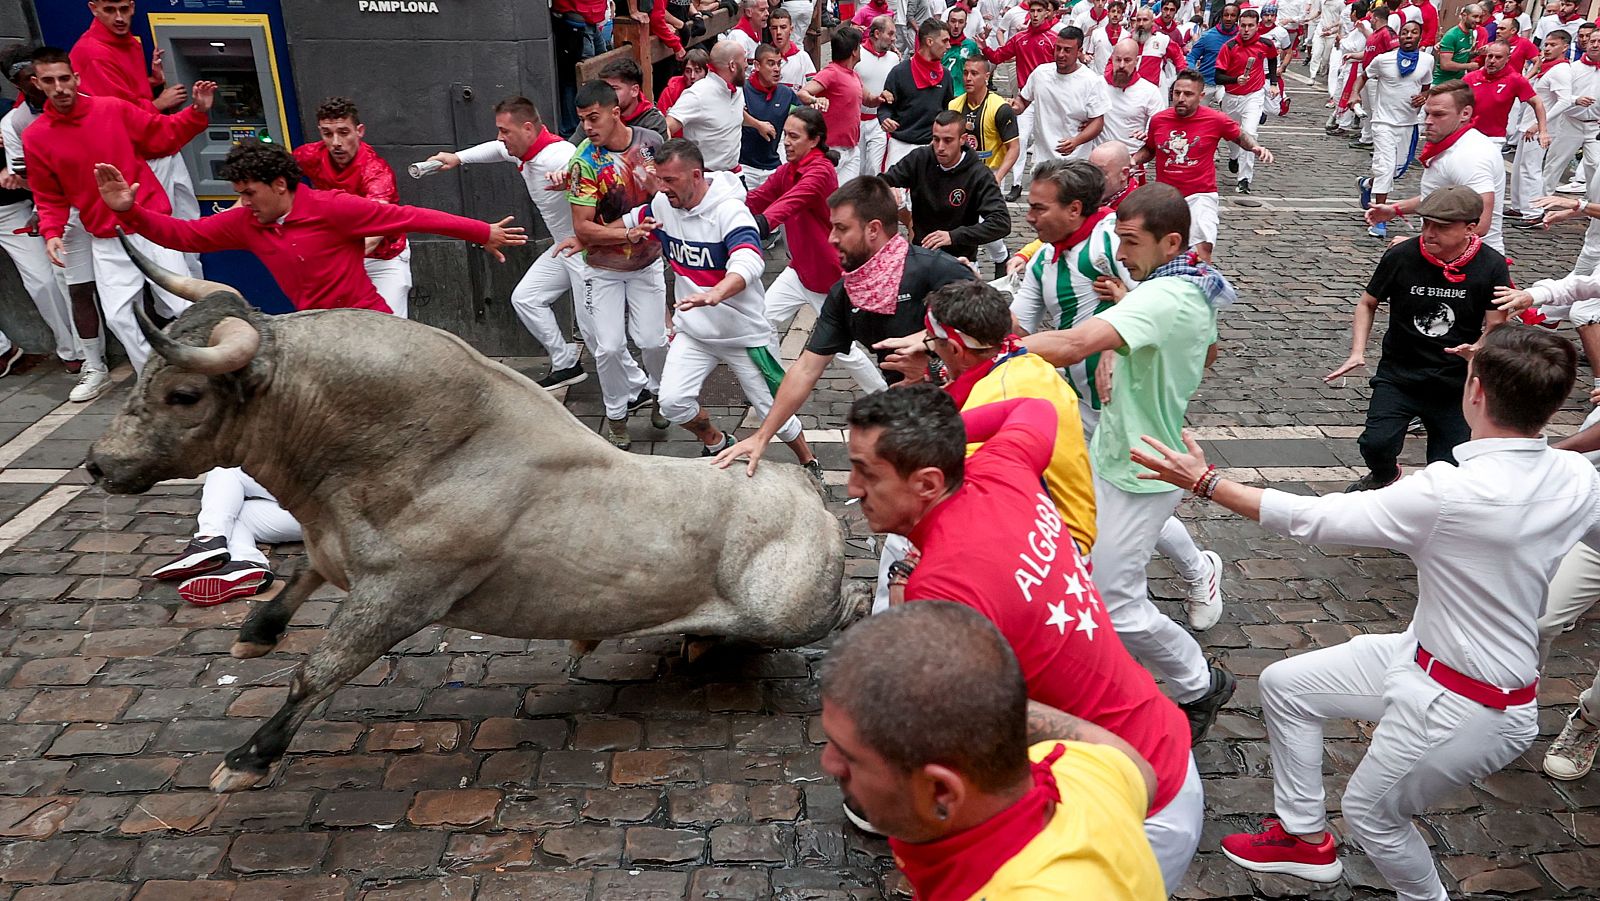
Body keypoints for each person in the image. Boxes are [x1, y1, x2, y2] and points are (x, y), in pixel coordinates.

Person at [1133, 324, 1600, 901]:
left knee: (1374, 817)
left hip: (1469, 704)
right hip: (1423, 658)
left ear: (1474, 391)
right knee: (1286, 685)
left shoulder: (1447, 492)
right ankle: (1304, 840)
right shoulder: (1579, 476)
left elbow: (1315, 519)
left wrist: (1203, 480)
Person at [847, 375, 1202, 891]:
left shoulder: (942, 587)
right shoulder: (1002, 468)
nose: (852, 488)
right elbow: (1036, 409)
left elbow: (969, 728)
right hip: (1157, 741)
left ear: (926, 482)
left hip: (1128, 803)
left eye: (866, 473)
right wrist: (937, 435)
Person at [1018, 183, 1237, 743]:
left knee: (1114, 600)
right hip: (1121, 452)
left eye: (1130, 239)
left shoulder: (1161, 297)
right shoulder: (1183, 285)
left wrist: (998, 349)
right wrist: (1126, 350)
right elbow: (1208, 350)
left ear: (1171, 243)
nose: (1120, 247)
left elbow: (1071, 345)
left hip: (1143, 469)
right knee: (1080, 573)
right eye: (1116, 233)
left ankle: (1198, 682)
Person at [819, 601, 1166, 900]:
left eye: (850, 757)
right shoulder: (1080, 770)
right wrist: (981, 701)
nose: (828, 763)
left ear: (941, 791)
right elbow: (1134, 765)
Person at [583, 139, 820, 472]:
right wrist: (585, 237)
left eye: (670, 181)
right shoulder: (663, 206)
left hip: (744, 335)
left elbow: (749, 260)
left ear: (696, 176)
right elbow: (627, 221)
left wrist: (720, 291)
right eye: (660, 179)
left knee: (774, 412)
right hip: (695, 332)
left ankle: (809, 461)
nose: (662, 189)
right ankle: (716, 442)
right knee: (672, 402)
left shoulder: (730, 211)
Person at [714, 176, 971, 474]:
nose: (831, 238)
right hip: (915, 415)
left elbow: (999, 327)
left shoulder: (933, 269)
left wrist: (930, 343)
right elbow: (807, 368)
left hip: (974, 405)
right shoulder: (845, 293)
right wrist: (762, 436)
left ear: (873, 229)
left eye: (841, 228)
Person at [98, 145, 525, 316]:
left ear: (279, 186)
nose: (242, 202)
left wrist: (480, 232)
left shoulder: (331, 208)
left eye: (249, 193)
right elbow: (184, 237)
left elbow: (411, 216)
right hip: (313, 326)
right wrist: (131, 212)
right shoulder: (246, 222)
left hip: (367, 320)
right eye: (239, 194)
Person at [23, 46, 211, 376]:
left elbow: (161, 137)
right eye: (50, 81)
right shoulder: (36, 137)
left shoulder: (111, 109)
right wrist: (52, 233)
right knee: (120, 317)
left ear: (76, 78)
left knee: (183, 305)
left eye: (65, 78)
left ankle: (207, 373)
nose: (60, 88)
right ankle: (151, 380)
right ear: (38, 83)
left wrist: (195, 112)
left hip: (152, 224)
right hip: (106, 237)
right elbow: (48, 195)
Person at [1329, 186, 1510, 493]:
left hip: (1454, 383)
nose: (1429, 233)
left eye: (1441, 227)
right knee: (1376, 443)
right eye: (1426, 224)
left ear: (1470, 228)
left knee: (1446, 468)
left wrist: (1477, 347)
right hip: (1399, 374)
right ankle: (1384, 473)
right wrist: (1357, 351)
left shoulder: (1491, 265)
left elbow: (1496, 324)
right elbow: (1367, 302)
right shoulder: (1402, 256)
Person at [427, 96, 592, 390]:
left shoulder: (558, 154)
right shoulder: (523, 151)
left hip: (584, 250)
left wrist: (569, 175)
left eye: (505, 131)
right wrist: (457, 158)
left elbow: (585, 169)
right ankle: (566, 363)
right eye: (500, 131)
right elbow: (495, 150)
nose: (500, 138)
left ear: (528, 128)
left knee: (595, 334)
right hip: (562, 247)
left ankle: (638, 388)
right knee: (526, 298)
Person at [747, 108, 887, 393]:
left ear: (814, 140)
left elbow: (791, 201)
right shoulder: (788, 170)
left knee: (844, 351)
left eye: (793, 136)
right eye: (785, 134)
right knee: (762, 321)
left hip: (826, 277)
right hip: (799, 269)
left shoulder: (821, 171)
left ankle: (883, 395)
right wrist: (724, 211)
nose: (786, 141)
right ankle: (779, 384)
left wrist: (763, 222)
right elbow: (757, 197)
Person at [563, 80, 671, 450]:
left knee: (653, 340)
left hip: (648, 264)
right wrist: (628, 234)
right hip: (602, 269)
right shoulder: (583, 161)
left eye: (593, 118)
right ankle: (616, 416)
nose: (588, 127)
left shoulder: (650, 145)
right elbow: (583, 227)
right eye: (582, 120)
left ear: (615, 112)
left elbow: (670, 195)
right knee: (608, 347)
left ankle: (659, 394)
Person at [71, 0, 200, 278]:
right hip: (145, 156)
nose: (119, 17)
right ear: (93, 8)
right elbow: (113, 114)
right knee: (168, 236)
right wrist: (158, 102)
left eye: (124, 9)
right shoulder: (92, 52)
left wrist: (151, 82)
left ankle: (195, 297)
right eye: (109, 10)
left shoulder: (126, 41)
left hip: (162, 145)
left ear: (132, 6)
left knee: (188, 230)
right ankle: (184, 307)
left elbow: (122, 94)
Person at [292, 97, 414, 317]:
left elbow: (375, 230)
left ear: (359, 131)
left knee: (389, 329)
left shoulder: (376, 170)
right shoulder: (309, 155)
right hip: (339, 253)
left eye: (344, 132)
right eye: (327, 134)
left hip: (383, 258)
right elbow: (267, 181)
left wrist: (334, 259)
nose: (336, 142)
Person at [0, 46, 81, 376]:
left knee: (46, 281)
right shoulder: (15, 119)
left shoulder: (12, 116)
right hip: (37, 201)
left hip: (12, 210)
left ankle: (74, 350)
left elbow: (25, 174)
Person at [1137, 69, 1275, 262]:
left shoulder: (1215, 119)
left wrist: (1255, 147)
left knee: (1201, 252)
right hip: (1166, 198)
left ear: (1201, 96)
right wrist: (1132, 160)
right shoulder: (1159, 120)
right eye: (1177, 93)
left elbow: (1238, 135)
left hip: (1200, 196)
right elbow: (1150, 149)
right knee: (1165, 253)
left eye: (1188, 94)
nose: (1181, 98)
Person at [1367, 81, 1507, 252]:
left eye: (1439, 115)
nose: (1428, 121)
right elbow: (1440, 198)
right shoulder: (1454, 144)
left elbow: (1481, 225)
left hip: (1469, 265)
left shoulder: (1470, 156)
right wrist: (1395, 209)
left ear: (1465, 113)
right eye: (1427, 114)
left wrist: (1418, 245)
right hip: (1447, 257)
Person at [151, 468, 302, 608]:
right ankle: (245, 562)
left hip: (316, 498)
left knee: (228, 470)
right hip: (312, 518)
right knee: (233, 512)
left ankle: (209, 539)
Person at [881, 110, 1012, 263]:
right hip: (922, 256)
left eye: (948, 140)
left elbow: (1001, 222)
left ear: (963, 139)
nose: (940, 147)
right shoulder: (920, 158)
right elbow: (880, 182)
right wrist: (885, 188)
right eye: (936, 139)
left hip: (960, 260)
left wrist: (953, 236)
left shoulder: (979, 174)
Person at [1357, 21, 1435, 239]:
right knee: (1385, 167)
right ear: (1398, 36)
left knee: (1396, 170)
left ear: (1420, 36)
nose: (1408, 36)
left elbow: (1427, 86)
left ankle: (1367, 184)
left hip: (1408, 123)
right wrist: (1354, 95)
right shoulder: (1383, 60)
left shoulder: (1427, 61)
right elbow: (1363, 76)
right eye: (1404, 33)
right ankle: (1379, 218)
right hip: (1383, 122)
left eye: (1413, 33)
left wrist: (1424, 97)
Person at [951, 55, 1021, 277]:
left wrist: (998, 177)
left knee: (984, 222)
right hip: (960, 173)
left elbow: (1014, 148)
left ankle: (1000, 257)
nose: (968, 78)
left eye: (974, 73)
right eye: (966, 73)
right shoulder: (955, 105)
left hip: (988, 173)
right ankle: (971, 267)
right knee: (962, 221)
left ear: (987, 76)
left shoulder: (1000, 108)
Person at [1013, 26, 1109, 166]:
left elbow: (1097, 122)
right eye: (1058, 48)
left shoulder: (1092, 81)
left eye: (1067, 50)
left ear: (1079, 52)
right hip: (1043, 161)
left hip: (1075, 163)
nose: (1061, 54)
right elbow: (1023, 100)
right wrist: (1015, 107)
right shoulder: (1040, 73)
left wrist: (1076, 141)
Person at [1505, 31, 1572, 221]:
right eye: (1546, 45)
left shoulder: (1561, 70)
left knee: (1531, 169)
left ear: (1564, 47)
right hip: (1527, 124)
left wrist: (1540, 124)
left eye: (1552, 45)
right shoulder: (1548, 68)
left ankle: (1534, 212)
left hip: (1539, 127)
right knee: (1519, 168)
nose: (1547, 48)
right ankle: (1519, 206)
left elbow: (1564, 101)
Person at [1214, 8, 1280, 195]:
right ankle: (1234, 155)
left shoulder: (1266, 44)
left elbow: (1273, 59)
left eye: (1250, 26)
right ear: (1238, 26)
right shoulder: (1229, 46)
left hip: (1254, 95)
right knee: (1232, 135)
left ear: (1257, 26)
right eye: (1243, 25)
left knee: (1250, 133)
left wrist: (1273, 82)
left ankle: (1244, 179)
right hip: (1231, 96)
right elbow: (1218, 76)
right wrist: (1235, 80)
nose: (1246, 29)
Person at [880, 18, 957, 168]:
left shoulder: (946, 76)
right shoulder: (900, 72)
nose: (948, 46)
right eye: (944, 41)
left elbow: (948, 111)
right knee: (895, 191)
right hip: (900, 146)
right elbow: (885, 106)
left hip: (931, 147)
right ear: (929, 42)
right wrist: (885, 119)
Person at [667, 41, 748, 179]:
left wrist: (759, 125)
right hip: (706, 181)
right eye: (744, 60)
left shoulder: (737, 88)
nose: (747, 65)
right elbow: (666, 127)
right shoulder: (698, 95)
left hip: (735, 176)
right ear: (732, 66)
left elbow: (734, 113)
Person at [803, 27, 870, 182]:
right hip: (830, 150)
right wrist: (815, 100)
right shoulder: (831, 72)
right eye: (859, 46)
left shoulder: (855, 76)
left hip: (852, 151)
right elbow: (803, 93)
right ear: (854, 51)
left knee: (847, 200)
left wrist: (884, 97)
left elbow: (869, 99)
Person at [1463, 39, 1545, 148]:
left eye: (1498, 57)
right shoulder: (1470, 78)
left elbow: (1537, 103)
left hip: (1493, 139)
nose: (1492, 60)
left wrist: (1543, 130)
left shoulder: (1516, 80)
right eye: (1490, 56)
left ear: (1507, 59)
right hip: (1466, 135)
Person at [741, 44, 800, 193]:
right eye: (771, 63)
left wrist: (815, 102)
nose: (777, 69)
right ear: (757, 65)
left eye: (779, 64)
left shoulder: (786, 94)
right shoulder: (742, 91)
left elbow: (802, 118)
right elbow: (730, 113)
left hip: (773, 168)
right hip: (745, 168)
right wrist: (757, 125)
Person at [552, 0, 609, 136]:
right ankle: (572, 131)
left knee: (604, 70)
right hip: (576, 19)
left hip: (591, 20)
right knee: (575, 78)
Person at [856, 16, 901, 175]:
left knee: (874, 168)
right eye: (890, 34)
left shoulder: (894, 59)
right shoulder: (856, 53)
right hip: (856, 121)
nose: (894, 39)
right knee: (857, 168)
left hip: (879, 122)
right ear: (876, 33)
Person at [585, 57, 670, 140]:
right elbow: (573, 146)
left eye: (614, 88)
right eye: (603, 88)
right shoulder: (596, 114)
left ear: (634, 90)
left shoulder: (653, 122)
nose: (606, 94)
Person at [1104, 38, 1167, 151]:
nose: (1122, 65)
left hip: (1133, 158)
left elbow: (1160, 124)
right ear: (1112, 59)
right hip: (1099, 157)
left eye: (1127, 60)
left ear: (1136, 61)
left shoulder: (1150, 91)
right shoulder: (1097, 85)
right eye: (1118, 60)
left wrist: (1148, 134)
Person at [1187, 2, 1240, 102]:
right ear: (1221, 16)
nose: (1229, 18)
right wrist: (1192, 70)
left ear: (1237, 18)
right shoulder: (1207, 36)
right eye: (1226, 15)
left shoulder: (1241, 37)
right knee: (1196, 113)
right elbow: (1192, 56)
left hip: (1227, 84)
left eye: (1233, 15)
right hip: (1206, 82)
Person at [767, 7, 817, 91]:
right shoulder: (763, 57)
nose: (778, 32)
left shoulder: (803, 58)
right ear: (770, 30)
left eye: (783, 27)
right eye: (774, 28)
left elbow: (813, 89)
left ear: (791, 29)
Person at [943, 5, 985, 95]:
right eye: (953, 21)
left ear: (965, 24)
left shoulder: (971, 45)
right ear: (947, 22)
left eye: (961, 22)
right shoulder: (939, 44)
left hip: (962, 94)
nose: (956, 26)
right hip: (941, 93)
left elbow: (979, 70)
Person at [657, 47, 709, 114]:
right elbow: (661, 119)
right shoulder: (670, 92)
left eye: (697, 71)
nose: (692, 76)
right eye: (688, 71)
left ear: (706, 73)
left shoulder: (714, 90)